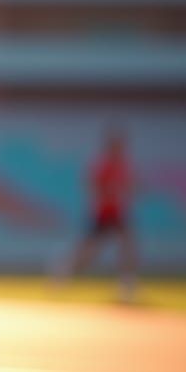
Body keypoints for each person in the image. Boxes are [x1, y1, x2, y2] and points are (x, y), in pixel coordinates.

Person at [58, 127, 138, 302]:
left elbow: (130, 187)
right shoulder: (103, 166)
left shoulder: (122, 166)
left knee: (128, 246)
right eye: (116, 146)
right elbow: (91, 187)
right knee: (88, 253)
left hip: (117, 213)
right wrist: (107, 193)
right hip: (102, 214)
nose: (120, 149)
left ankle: (126, 285)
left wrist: (129, 190)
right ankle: (63, 272)